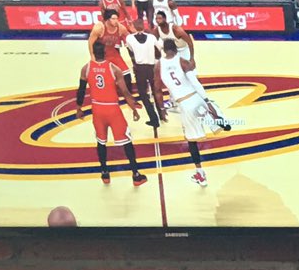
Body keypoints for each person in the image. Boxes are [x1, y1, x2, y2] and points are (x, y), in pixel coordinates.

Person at [73, 38, 146, 188]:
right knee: (127, 142)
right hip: (112, 109)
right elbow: (125, 92)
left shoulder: (86, 68)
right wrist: (133, 108)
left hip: (97, 109)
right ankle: (136, 175)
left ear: (93, 52)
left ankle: (105, 173)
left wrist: (79, 108)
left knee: (101, 142)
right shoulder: (114, 69)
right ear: (105, 52)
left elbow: (81, 90)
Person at [158, 36, 214, 186]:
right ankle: (215, 121)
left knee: (191, 141)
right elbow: (195, 82)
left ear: (164, 50)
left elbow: (157, 90)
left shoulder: (158, 65)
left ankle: (200, 174)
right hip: (197, 98)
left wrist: (161, 109)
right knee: (217, 125)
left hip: (185, 103)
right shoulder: (182, 61)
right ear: (176, 49)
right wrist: (207, 101)